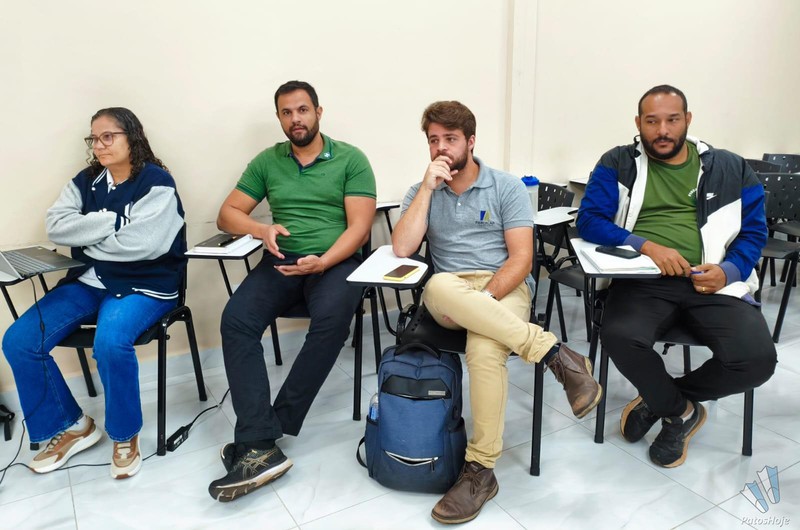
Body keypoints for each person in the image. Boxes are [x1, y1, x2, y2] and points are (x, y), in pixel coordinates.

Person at [392, 101, 602, 525]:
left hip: (503, 287)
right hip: (449, 293)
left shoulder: (506, 187)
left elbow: (522, 259)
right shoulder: (421, 191)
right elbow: (402, 248)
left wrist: (485, 300)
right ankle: (554, 353)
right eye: (434, 140)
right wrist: (428, 189)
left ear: (471, 141)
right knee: (437, 284)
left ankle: (480, 470)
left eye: (450, 139)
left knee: (485, 351)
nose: (441, 148)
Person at [577, 84, 777, 468]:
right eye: (652, 122)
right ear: (638, 123)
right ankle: (681, 412)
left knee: (757, 360)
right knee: (619, 335)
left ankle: (661, 401)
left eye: (672, 120)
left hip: (713, 282)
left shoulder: (731, 168)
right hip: (644, 280)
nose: (663, 131)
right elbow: (589, 221)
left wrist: (728, 271)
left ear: (687, 120)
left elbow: (754, 233)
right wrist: (645, 246)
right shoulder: (618, 163)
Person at [208, 80, 376, 502]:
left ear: (319, 111)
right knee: (236, 320)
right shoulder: (268, 161)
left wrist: (324, 261)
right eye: (286, 112)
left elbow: (359, 229)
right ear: (279, 118)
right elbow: (227, 215)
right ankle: (260, 441)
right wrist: (260, 229)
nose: (295, 119)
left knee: (331, 322)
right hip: (282, 262)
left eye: (302, 110)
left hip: (335, 262)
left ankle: (265, 433)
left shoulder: (351, 159)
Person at [2, 107, 186, 479]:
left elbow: (146, 244)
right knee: (19, 340)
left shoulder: (157, 182)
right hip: (89, 282)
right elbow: (57, 227)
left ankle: (124, 434)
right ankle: (72, 426)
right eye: (94, 138)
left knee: (110, 341)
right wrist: (114, 222)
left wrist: (87, 240)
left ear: (132, 137)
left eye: (108, 136)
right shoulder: (85, 181)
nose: (99, 145)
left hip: (146, 284)